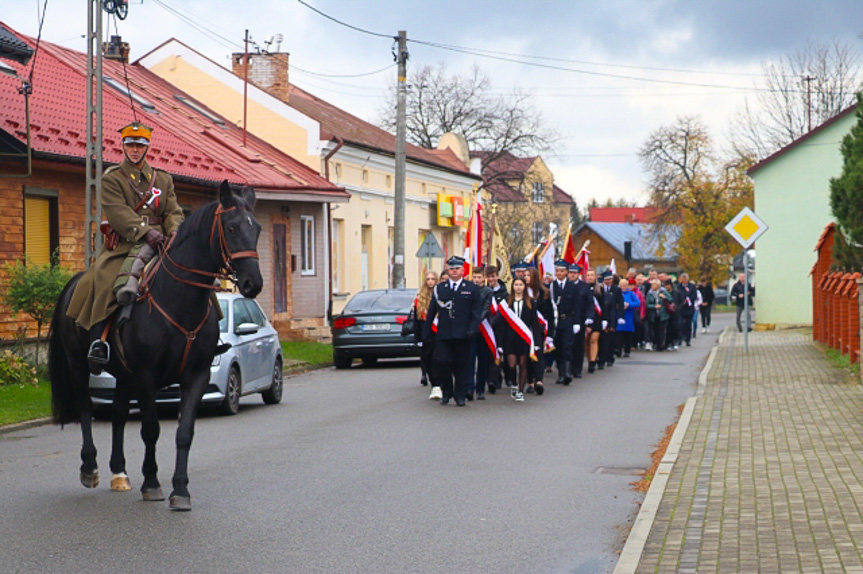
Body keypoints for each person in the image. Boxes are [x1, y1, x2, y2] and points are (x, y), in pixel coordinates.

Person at [67, 122, 184, 374]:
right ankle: (99, 343)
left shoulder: (163, 179)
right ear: (122, 146)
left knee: (191, 275)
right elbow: (117, 213)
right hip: (124, 244)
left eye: (139, 145)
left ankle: (206, 337)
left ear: (147, 147)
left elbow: (173, 211)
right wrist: (145, 232)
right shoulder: (113, 178)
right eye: (129, 144)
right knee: (103, 280)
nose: (134, 149)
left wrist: (174, 231)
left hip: (162, 243)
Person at [423, 256, 483, 407]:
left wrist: (472, 329)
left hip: (463, 334)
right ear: (447, 270)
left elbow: (476, 312)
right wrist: (427, 331)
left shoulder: (471, 288)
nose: (454, 271)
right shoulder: (440, 289)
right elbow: (432, 311)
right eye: (451, 269)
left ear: (463, 270)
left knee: (462, 365)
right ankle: (447, 391)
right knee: (442, 362)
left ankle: (460, 394)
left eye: (457, 269)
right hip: (444, 333)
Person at [497, 276, 541, 402]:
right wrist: (499, 342)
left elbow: (534, 323)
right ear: (512, 286)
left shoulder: (531, 302)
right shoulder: (506, 302)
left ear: (524, 287)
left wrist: (537, 342)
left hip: (524, 337)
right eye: (516, 285)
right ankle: (514, 384)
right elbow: (501, 323)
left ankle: (520, 391)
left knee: (523, 364)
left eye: (521, 285)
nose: (518, 287)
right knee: (511, 364)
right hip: (509, 338)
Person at [526, 267, 553, 395]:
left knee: (539, 354)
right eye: (524, 275)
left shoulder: (544, 293)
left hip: (539, 328)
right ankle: (530, 381)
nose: (526, 277)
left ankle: (539, 381)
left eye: (528, 275)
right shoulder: (521, 291)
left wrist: (550, 334)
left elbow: (550, 315)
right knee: (527, 355)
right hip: (525, 328)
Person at [550, 259, 577, 384]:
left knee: (567, 346)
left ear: (566, 272)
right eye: (557, 271)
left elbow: (577, 305)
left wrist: (577, 322)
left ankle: (567, 372)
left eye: (561, 271)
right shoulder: (551, 286)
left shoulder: (572, 286)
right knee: (558, 347)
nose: (559, 273)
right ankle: (560, 373)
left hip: (568, 319)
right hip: (555, 321)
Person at [468, 268, 493, 401]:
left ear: (484, 278)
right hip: (471, 329)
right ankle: (470, 388)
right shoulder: (469, 289)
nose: (477, 280)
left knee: (482, 360)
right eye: (475, 277)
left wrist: (476, 320)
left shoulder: (488, 291)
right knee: (470, 359)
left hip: (483, 328)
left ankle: (480, 389)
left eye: (479, 277)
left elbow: (486, 308)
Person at [483, 266, 508, 395]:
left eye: (493, 276)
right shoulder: (484, 291)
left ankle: (495, 379)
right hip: (485, 326)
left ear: (497, 276)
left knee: (497, 352)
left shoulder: (504, 293)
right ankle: (490, 379)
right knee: (487, 354)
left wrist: (494, 321)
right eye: (489, 277)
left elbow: (504, 311)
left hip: (499, 327)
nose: (491, 279)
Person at [414, 271, 438, 388]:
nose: (430, 282)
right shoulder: (419, 298)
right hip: (425, 331)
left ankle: (437, 380)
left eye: (433, 279)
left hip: (437, 330)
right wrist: (417, 337)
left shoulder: (439, 294)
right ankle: (426, 374)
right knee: (426, 356)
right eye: (428, 279)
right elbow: (416, 320)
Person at [597, 270, 623, 368]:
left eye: (610, 279)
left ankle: (610, 357)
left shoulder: (616, 289)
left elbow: (620, 302)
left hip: (612, 316)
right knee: (602, 339)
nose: (609, 281)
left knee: (611, 338)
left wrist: (621, 316)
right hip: (602, 315)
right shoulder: (600, 288)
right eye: (607, 279)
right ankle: (601, 359)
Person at [617, 279, 641, 357]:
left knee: (628, 335)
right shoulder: (617, 293)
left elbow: (637, 303)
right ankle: (618, 350)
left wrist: (629, 304)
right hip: (619, 316)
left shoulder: (631, 294)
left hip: (629, 316)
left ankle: (627, 350)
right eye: (621, 286)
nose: (623, 287)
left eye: (624, 286)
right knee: (619, 335)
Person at [585, 269, 602, 373]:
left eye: (592, 275)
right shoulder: (582, 288)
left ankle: (592, 362)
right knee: (586, 340)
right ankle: (589, 358)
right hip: (586, 318)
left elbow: (603, 305)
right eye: (588, 275)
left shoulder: (600, 290)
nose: (590, 277)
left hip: (597, 318)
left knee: (593, 340)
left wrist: (605, 320)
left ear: (595, 276)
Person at [645, 279, 669, 351]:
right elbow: (647, 304)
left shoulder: (664, 291)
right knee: (654, 330)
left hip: (662, 314)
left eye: (654, 285)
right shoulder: (649, 293)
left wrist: (664, 297)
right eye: (652, 285)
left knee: (662, 330)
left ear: (658, 285)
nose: (652, 286)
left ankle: (660, 345)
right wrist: (654, 306)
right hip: (653, 314)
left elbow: (670, 299)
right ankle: (655, 343)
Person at [676, 273, 698, 347]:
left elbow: (694, 296)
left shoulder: (692, 286)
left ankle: (688, 340)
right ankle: (679, 339)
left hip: (689, 308)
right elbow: (677, 296)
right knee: (680, 324)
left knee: (688, 325)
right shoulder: (678, 287)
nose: (684, 280)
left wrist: (688, 300)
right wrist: (682, 301)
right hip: (681, 308)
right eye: (683, 279)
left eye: (685, 279)